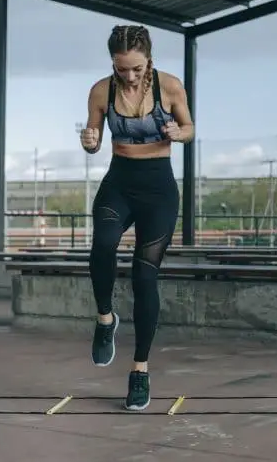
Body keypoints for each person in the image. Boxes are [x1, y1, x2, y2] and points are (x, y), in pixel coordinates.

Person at [78, 24, 194, 411]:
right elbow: (93, 137)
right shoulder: (100, 91)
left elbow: (190, 128)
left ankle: (140, 371)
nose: (129, 75)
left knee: (145, 275)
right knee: (104, 243)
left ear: (149, 59)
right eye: (121, 67)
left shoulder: (170, 86)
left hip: (159, 189)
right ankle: (105, 318)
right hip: (120, 182)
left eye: (136, 68)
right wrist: (89, 142)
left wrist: (179, 132)